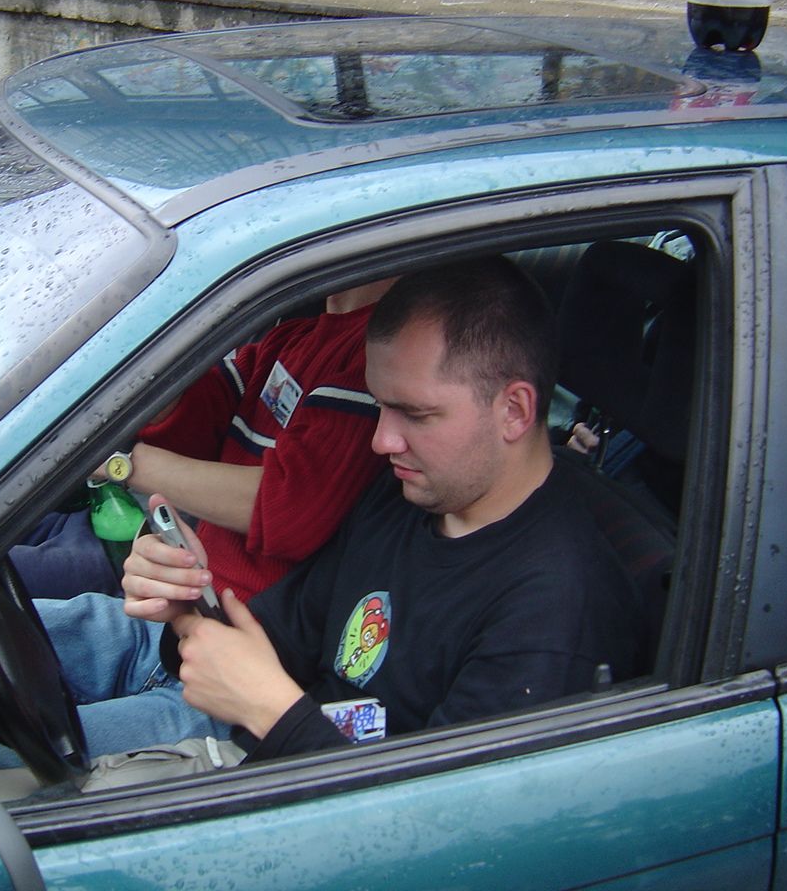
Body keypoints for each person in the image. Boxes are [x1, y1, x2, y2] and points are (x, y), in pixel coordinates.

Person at [38, 256, 643, 763]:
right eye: (380, 407)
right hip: (271, 746)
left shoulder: (555, 614)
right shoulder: (402, 502)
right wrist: (186, 610)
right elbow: (283, 634)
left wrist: (273, 712)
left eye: (417, 414)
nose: (381, 441)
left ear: (514, 411)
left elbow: (443, 829)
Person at [12, 278, 396, 600]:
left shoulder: (376, 359)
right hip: (184, 597)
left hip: (239, 635)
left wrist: (120, 461)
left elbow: (292, 507)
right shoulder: (294, 337)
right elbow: (196, 424)